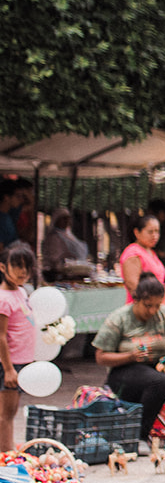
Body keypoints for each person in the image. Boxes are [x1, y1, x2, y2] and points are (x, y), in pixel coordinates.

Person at [94, 273, 165, 448]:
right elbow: (101, 356)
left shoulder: (164, 314)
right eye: (148, 306)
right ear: (136, 300)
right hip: (125, 369)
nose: (152, 311)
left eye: (157, 306)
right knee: (159, 383)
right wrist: (130, 356)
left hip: (162, 364)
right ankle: (140, 436)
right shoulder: (119, 318)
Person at [0, 244, 37, 450]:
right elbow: (1, 337)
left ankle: (7, 450)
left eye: (27, 267)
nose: (23, 271)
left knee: (11, 411)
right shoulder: (3, 299)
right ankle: (5, 458)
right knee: (6, 414)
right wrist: (8, 369)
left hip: (22, 361)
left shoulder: (22, 292)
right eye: (17, 266)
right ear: (3, 268)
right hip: (9, 363)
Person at [119, 215, 165, 300]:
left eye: (157, 231)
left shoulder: (150, 252)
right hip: (143, 307)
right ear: (137, 232)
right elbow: (133, 286)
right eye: (150, 232)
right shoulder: (133, 253)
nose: (154, 236)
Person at [41, 209, 90, 279]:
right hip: (56, 272)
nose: (67, 222)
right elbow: (53, 256)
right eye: (64, 219)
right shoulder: (53, 237)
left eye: (68, 219)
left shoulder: (69, 235)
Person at [0, 179, 34, 248]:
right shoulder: (2, 220)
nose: (21, 200)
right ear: (6, 198)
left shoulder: (8, 217)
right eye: (18, 196)